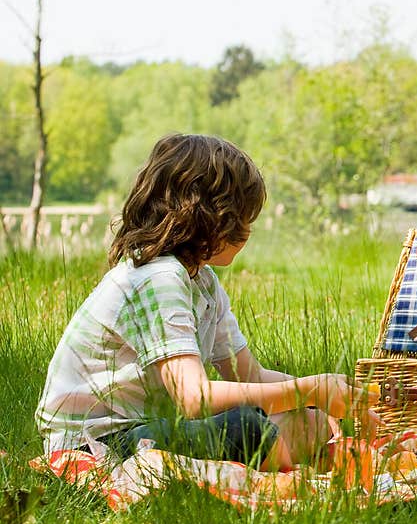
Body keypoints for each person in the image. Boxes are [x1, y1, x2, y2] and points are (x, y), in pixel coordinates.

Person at [35, 133, 379, 472]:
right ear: (212, 217)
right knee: (249, 428)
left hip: (143, 433)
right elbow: (193, 398)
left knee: (311, 423)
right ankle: (279, 475)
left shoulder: (202, 281)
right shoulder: (159, 278)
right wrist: (308, 389)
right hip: (96, 445)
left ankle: (274, 462)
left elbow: (252, 376)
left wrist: (326, 398)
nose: (248, 230)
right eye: (244, 217)